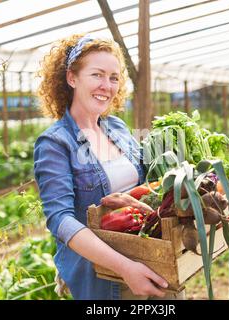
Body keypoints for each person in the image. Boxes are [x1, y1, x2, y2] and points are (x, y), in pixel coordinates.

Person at [34, 34, 170, 300]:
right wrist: (126, 268)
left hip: (153, 259)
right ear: (72, 78)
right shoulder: (55, 143)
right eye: (97, 75)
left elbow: (147, 185)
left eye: (114, 77)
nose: (107, 86)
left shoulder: (117, 128)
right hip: (104, 277)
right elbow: (60, 220)